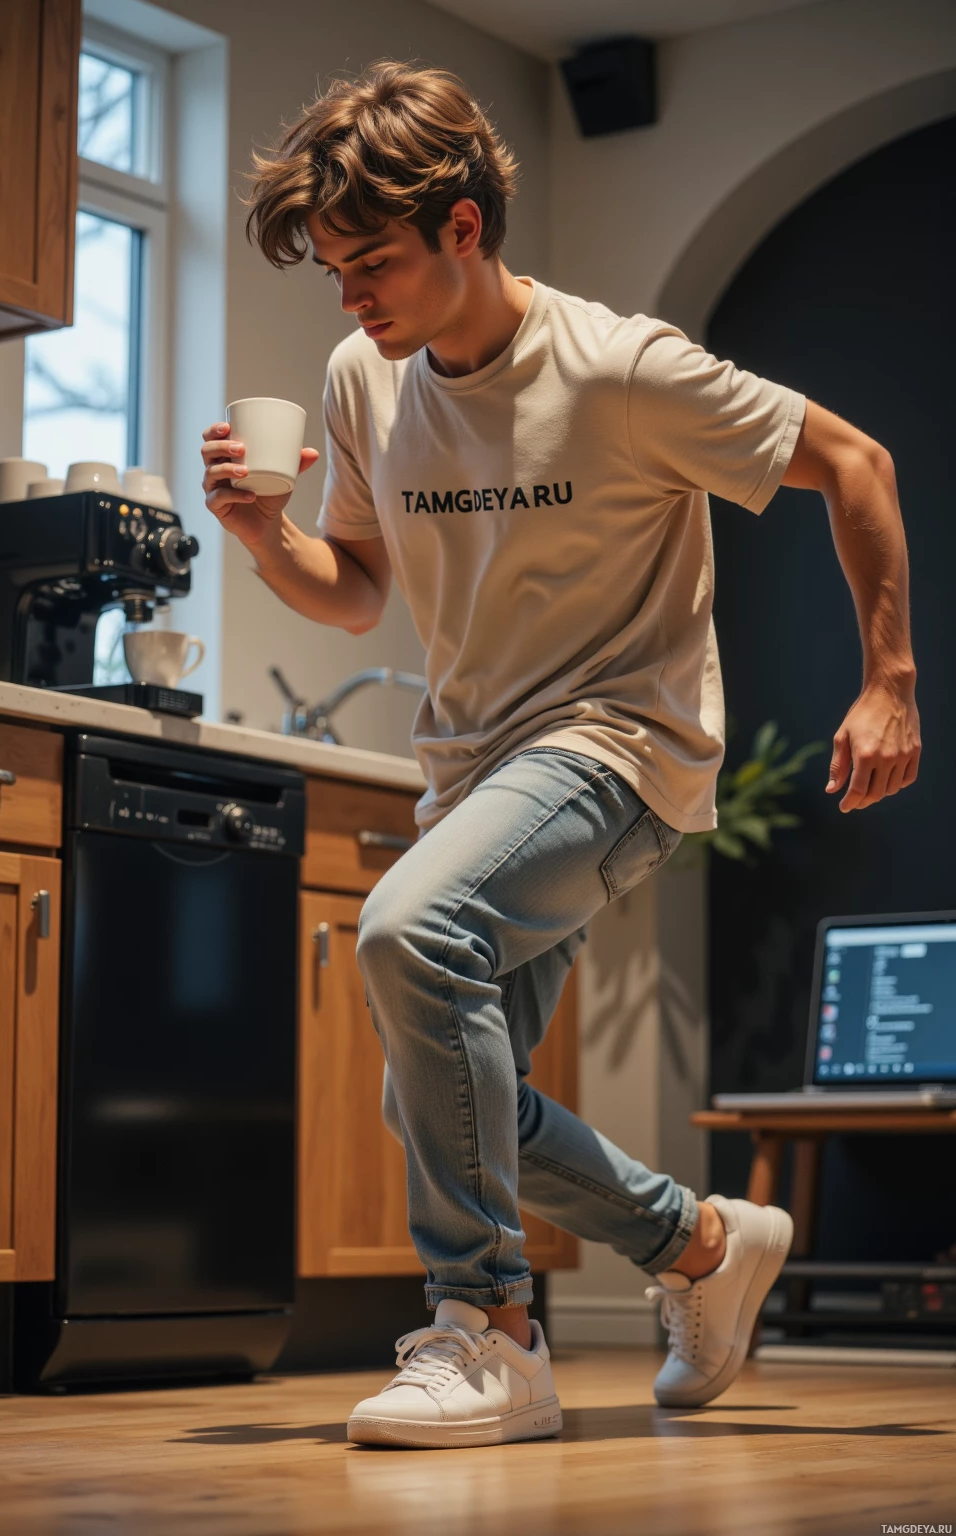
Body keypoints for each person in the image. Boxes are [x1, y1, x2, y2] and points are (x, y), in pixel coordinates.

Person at [201, 61, 921, 1450]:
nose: (351, 301)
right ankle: (703, 1245)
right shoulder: (369, 375)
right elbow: (356, 589)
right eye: (335, 274)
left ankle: (489, 1330)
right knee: (446, 1102)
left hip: (622, 741)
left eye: (375, 265)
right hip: (472, 764)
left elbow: (861, 466)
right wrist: (256, 535)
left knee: (407, 935)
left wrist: (889, 679)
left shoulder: (621, 366)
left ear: (465, 227)